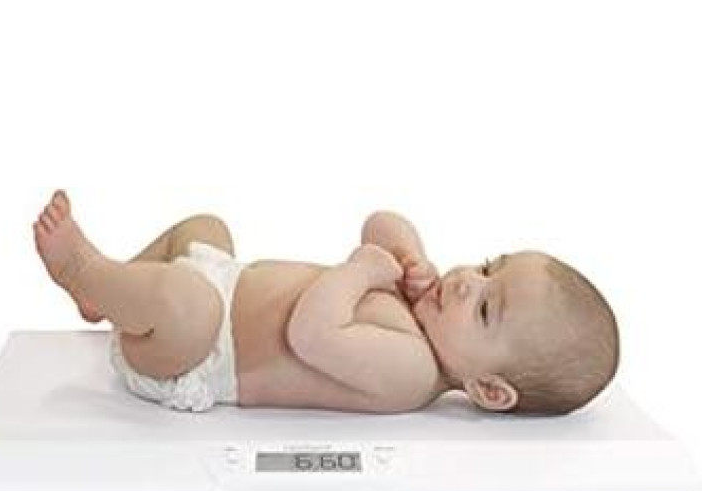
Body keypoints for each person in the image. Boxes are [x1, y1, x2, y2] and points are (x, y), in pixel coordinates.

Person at [33, 190, 619, 415]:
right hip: (221, 283)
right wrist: (409, 254)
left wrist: (361, 270)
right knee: (206, 225)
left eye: (487, 309)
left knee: (188, 305)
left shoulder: (412, 371)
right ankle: (111, 296)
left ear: (489, 389)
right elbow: (380, 220)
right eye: (489, 267)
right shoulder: (426, 310)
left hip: (196, 355)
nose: (468, 281)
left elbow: (311, 334)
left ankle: (84, 271)